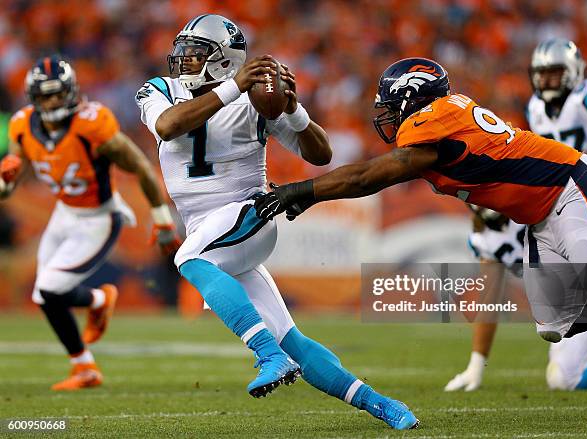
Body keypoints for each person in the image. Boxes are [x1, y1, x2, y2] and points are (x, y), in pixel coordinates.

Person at [135, 14, 418, 430]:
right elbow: (169, 125)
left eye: (196, 53)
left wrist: (294, 109)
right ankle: (385, 406)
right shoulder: (161, 90)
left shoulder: (256, 100)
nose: (184, 60)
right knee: (294, 340)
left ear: (222, 60)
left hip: (251, 212)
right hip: (212, 230)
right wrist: (235, 87)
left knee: (190, 261)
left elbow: (319, 155)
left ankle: (267, 355)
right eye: (183, 51)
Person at [255, 56, 587, 344]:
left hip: (572, 186)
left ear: (414, 99)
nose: (390, 116)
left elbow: (369, 177)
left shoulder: (434, 118)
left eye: (394, 106)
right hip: (539, 216)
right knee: (554, 323)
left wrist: (302, 191)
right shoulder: (447, 120)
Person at [0, 55, 181, 390]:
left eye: (57, 93)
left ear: (70, 92)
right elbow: (7, 188)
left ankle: (99, 302)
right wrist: (5, 178)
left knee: (50, 289)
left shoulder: (91, 122)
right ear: (33, 97)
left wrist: (162, 219)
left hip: (100, 216)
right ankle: (84, 365)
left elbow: (140, 165)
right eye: (45, 95)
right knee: (45, 296)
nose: (52, 101)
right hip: (64, 214)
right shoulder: (22, 125)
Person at [446, 38, 587, 392]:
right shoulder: (536, 110)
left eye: (556, 73)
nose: (549, 82)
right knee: (563, 376)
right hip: (566, 209)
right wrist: (477, 364)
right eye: (543, 74)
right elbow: (490, 286)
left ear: (574, 72)